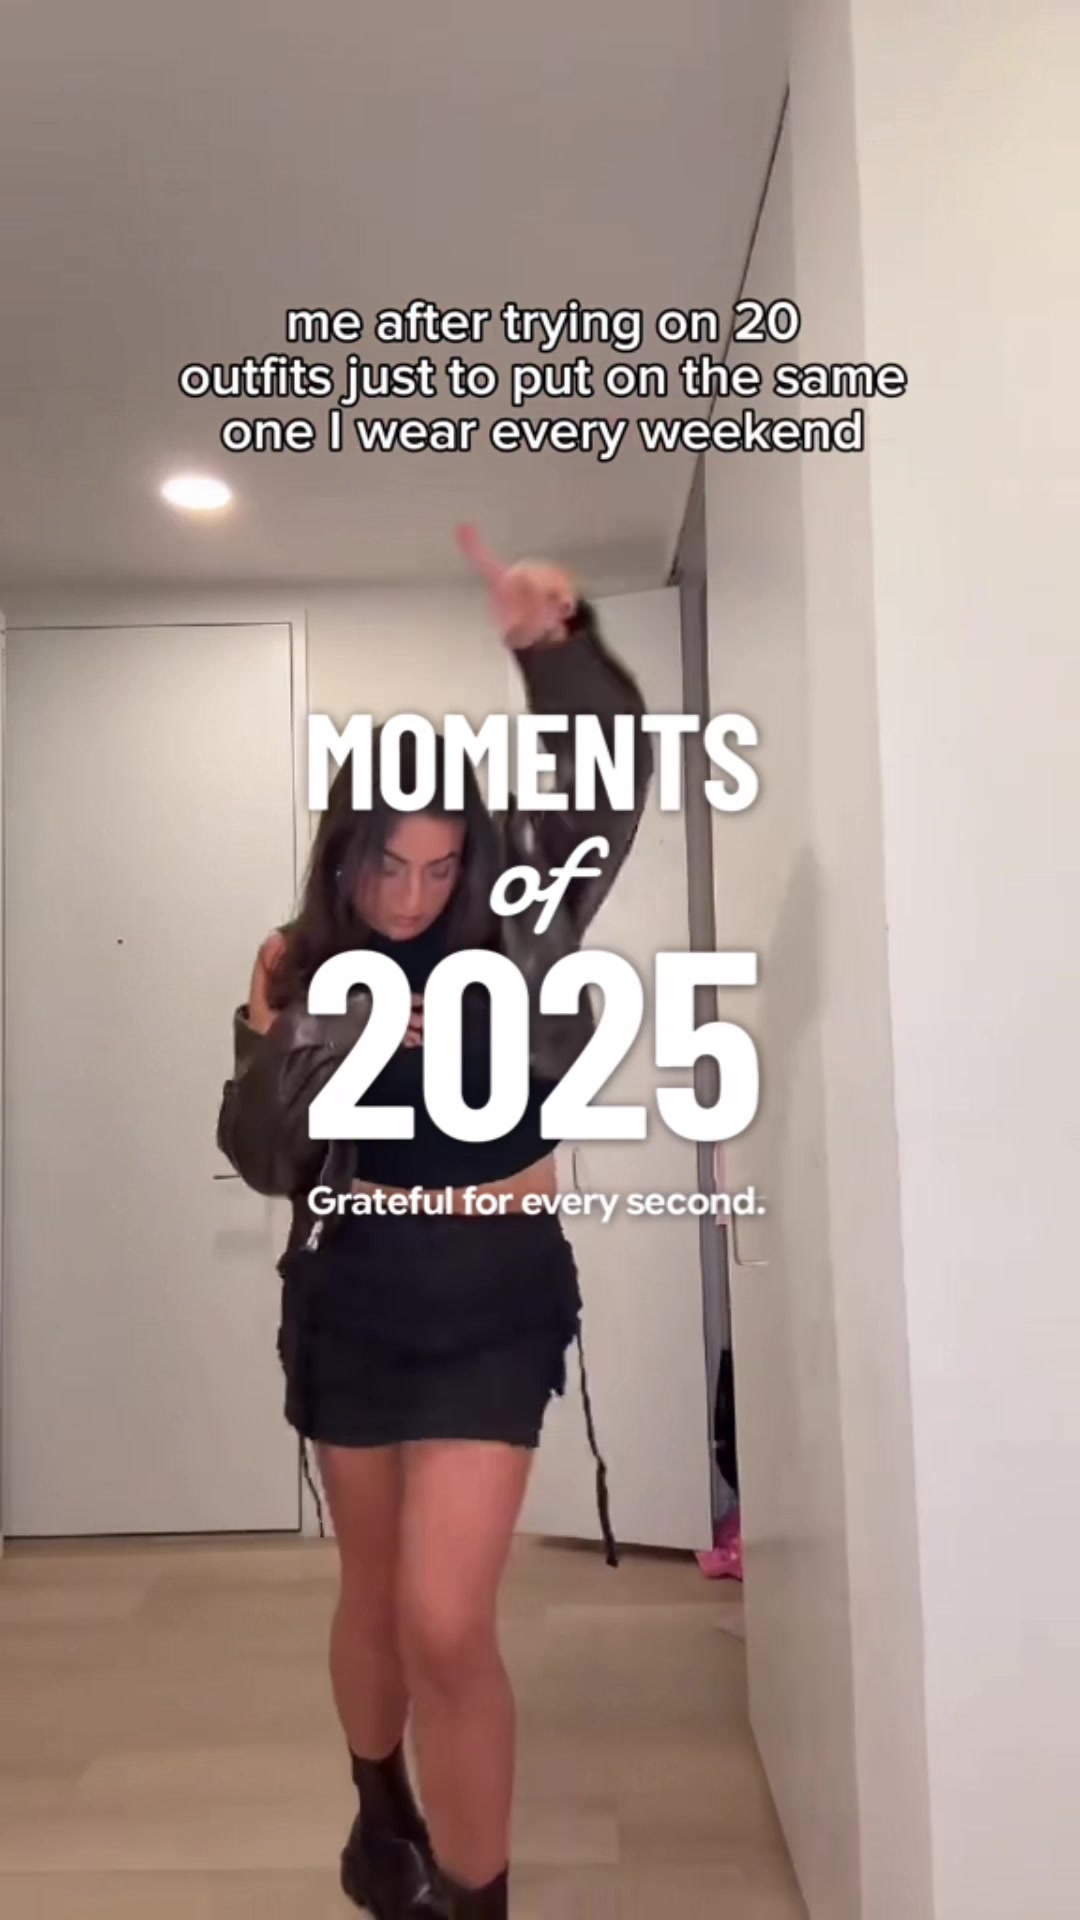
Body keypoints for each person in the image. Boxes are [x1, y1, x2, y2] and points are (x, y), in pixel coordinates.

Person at [216, 528, 652, 1919]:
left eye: (438, 867)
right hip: (353, 1291)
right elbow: (263, 1158)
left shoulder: (519, 928)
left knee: (445, 1618)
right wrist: (290, 1038)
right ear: (342, 859)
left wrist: (554, 650)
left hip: (492, 1292)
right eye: (383, 870)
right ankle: (378, 1807)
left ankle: (478, 1900)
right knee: (372, 1596)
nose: (409, 899)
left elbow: (607, 785)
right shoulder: (300, 961)